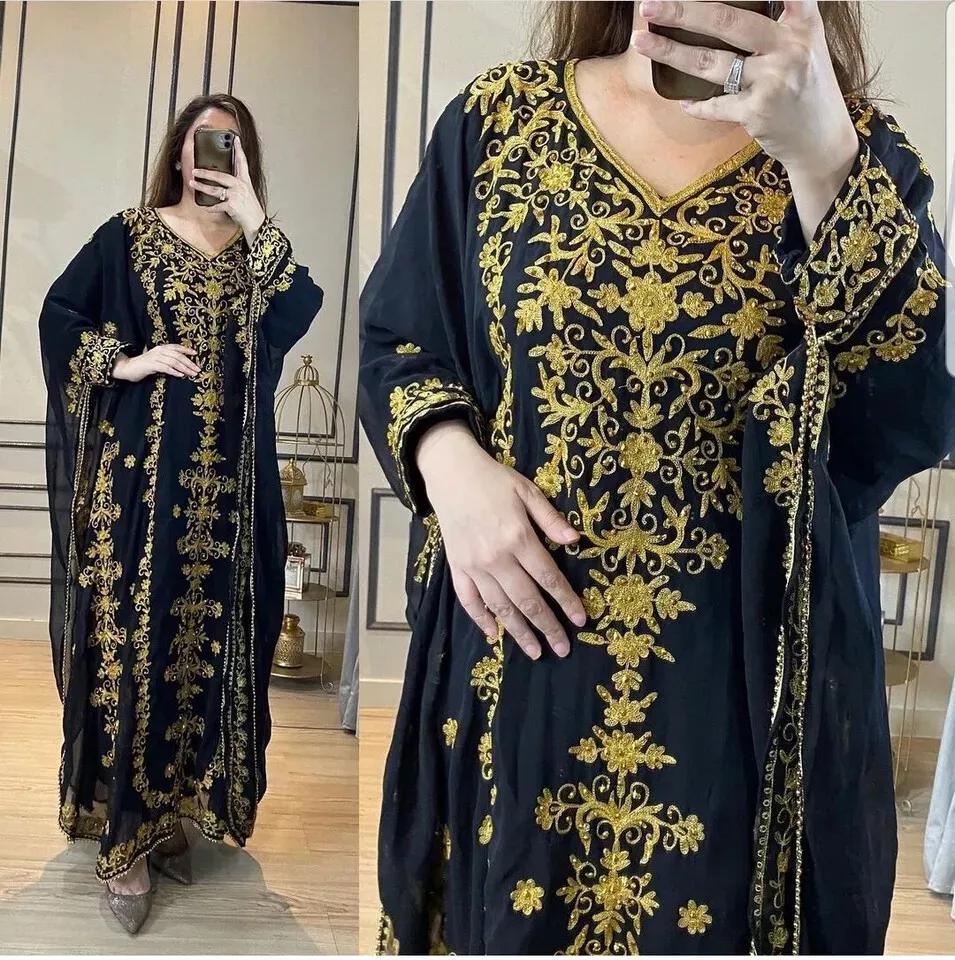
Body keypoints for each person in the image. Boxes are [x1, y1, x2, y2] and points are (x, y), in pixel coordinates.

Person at [358, 1, 955, 954]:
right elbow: (399, 336)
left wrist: (820, 162)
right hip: (517, 664)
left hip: (736, 699)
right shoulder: (498, 122)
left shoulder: (857, 154)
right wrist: (450, 465)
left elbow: (899, 419)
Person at [38, 93, 323, 934]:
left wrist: (256, 218)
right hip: (137, 491)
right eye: (203, 140)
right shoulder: (128, 235)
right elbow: (60, 315)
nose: (214, 153)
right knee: (135, 645)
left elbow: (299, 309)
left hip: (229, 498)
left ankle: (169, 814)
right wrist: (123, 362)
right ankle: (122, 840)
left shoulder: (256, 254)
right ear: (178, 152)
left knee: (205, 650)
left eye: (230, 142)